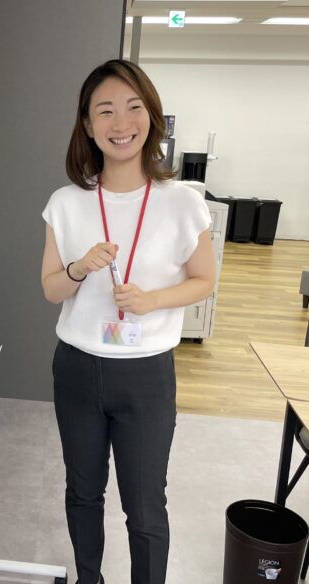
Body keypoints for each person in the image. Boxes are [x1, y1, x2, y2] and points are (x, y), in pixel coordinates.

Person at [40, 59, 215, 584]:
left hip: (146, 373)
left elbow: (203, 280)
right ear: (88, 125)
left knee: (144, 506)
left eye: (133, 107)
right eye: (106, 111)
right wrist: (78, 268)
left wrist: (153, 300)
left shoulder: (183, 202)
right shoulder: (66, 203)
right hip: (78, 367)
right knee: (82, 492)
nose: (121, 123)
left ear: (152, 117)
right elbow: (51, 289)